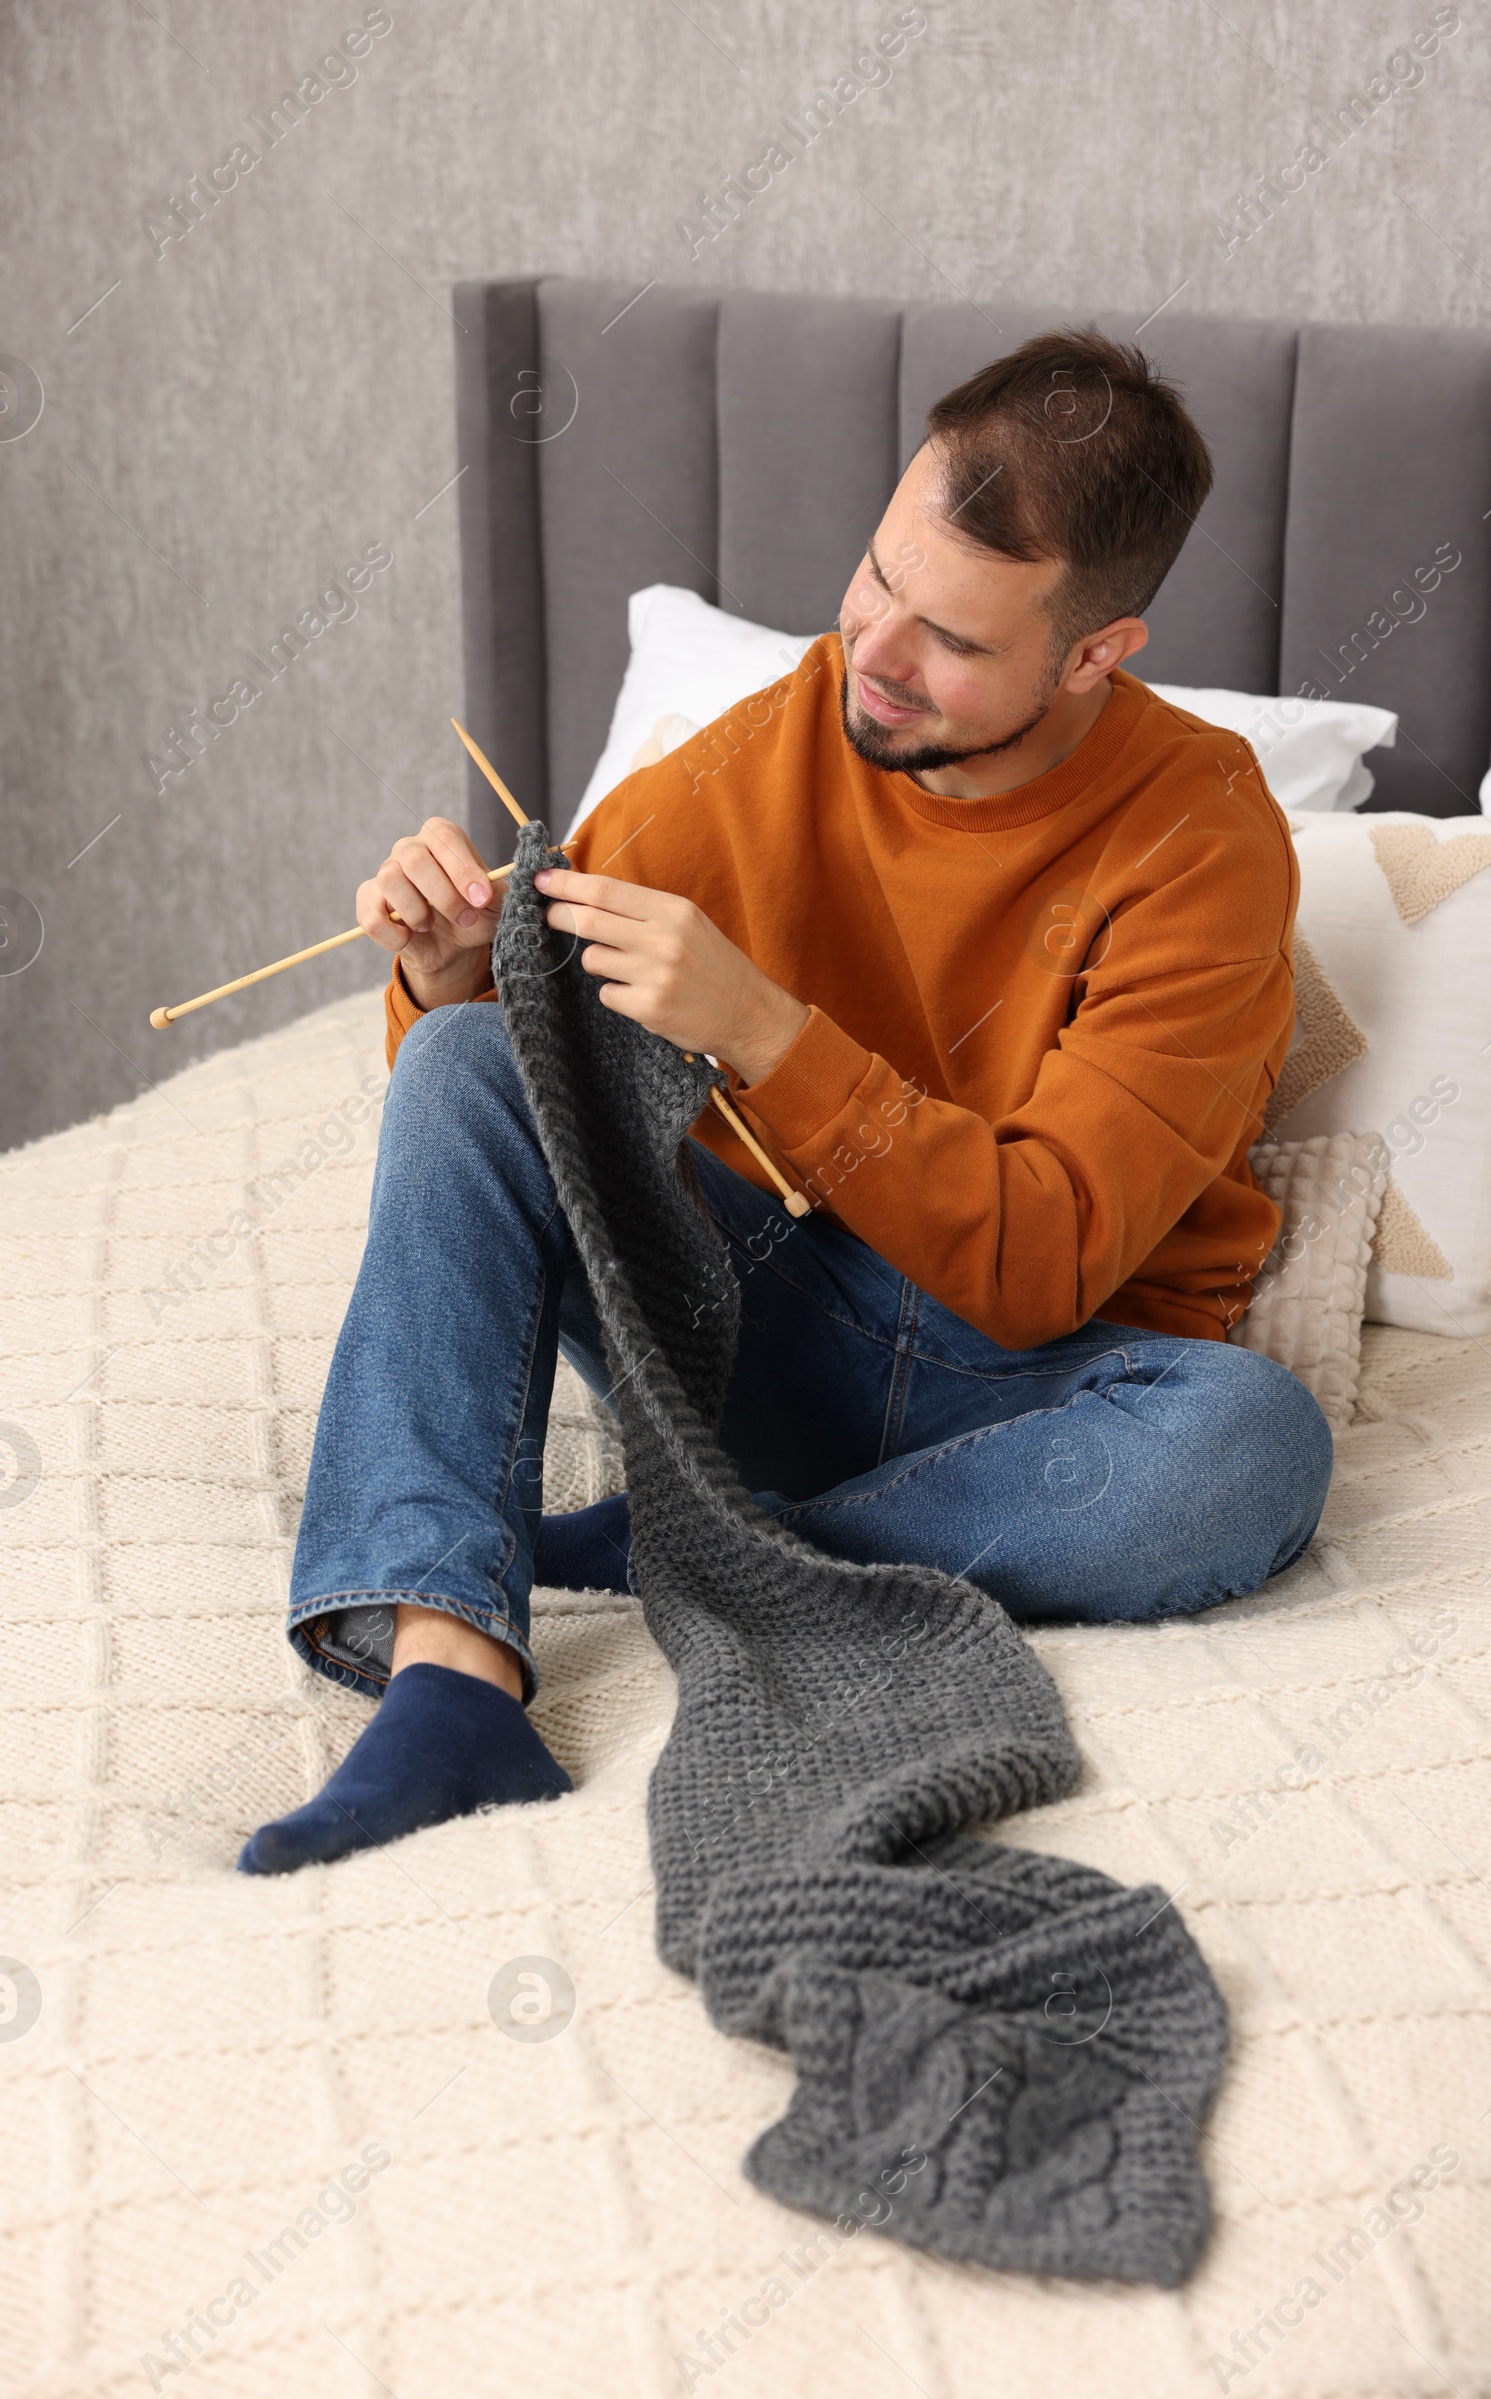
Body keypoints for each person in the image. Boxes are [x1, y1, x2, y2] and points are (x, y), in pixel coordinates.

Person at [239, 327, 1331, 1876]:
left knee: (1252, 1447)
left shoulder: (1205, 840)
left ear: (1098, 653)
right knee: (469, 1063)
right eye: (878, 574)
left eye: (952, 637)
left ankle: (699, 1531)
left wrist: (763, 1028)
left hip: (1030, 1386)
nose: (874, 651)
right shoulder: (750, 758)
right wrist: (445, 974)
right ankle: (451, 1671)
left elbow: (1041, 1268)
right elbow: (510, 1122)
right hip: (754, 1322)